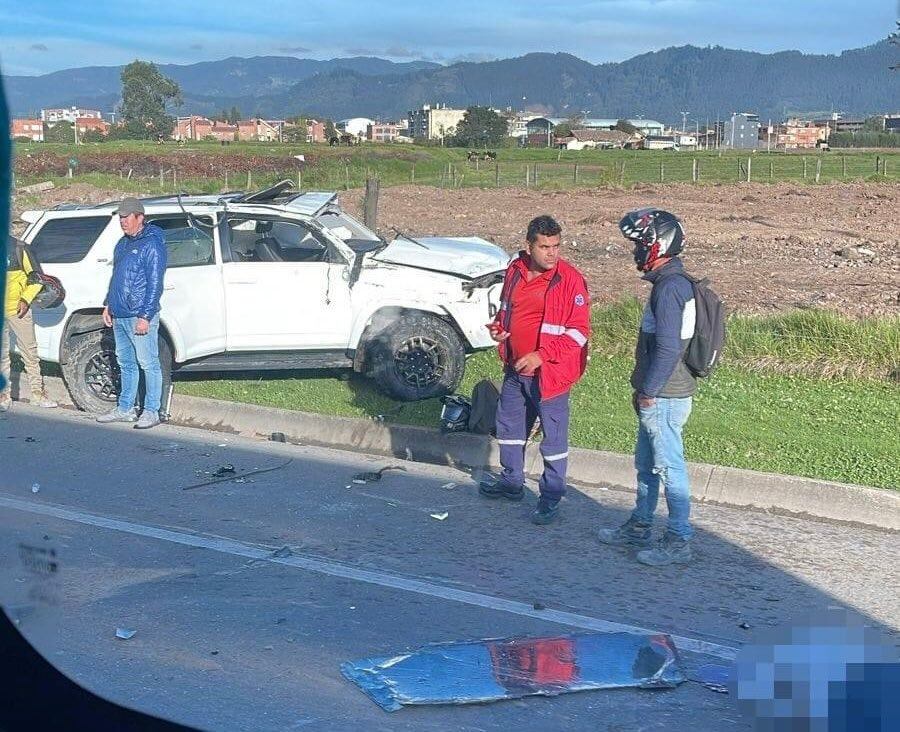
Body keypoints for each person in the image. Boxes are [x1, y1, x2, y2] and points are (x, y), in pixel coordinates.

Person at [597, 208, 696, 566]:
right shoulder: (669, 283)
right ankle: (640, 525)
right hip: (660, 392)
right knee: (647, 464)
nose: (635, 251)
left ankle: (679, 540)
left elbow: (669, 349)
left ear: (658, 244)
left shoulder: (670, 289)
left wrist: (648, 391)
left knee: (669, 467)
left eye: (640, 244)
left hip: (665, 395)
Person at [480, 215, 590, 525]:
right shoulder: (515, 269)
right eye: (544, 247)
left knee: (553, 440)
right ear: (529, 246)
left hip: (550, 375)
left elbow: (579, 333)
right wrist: (500, 329)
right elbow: (507, 310)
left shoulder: (570, 280)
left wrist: (542, 356)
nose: (552, 253)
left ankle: (550, 498)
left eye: (556, 246)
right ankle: (511, 482)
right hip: (516, 369)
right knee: (509, 427)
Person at [96, 198, 167, 429]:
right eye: (121, 217)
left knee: (148, 362)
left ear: (140, 217)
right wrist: (109, 304)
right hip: (120, 314)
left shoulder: (152, 244)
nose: (123, 221)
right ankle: (125, 408)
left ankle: (151, 411)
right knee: (126, 362)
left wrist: (145, 316)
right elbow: (116, 277)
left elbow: (155, 283)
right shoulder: (122, 243)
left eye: (127, 217)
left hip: (139, 314)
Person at [1, 235, 58, 412]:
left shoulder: (18, 248)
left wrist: (25, 299)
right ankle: (3, 396)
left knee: (30, 353)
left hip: (19, 310)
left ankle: (37, 394)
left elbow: (36, 278)